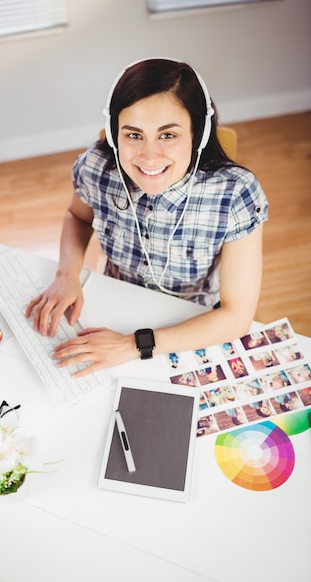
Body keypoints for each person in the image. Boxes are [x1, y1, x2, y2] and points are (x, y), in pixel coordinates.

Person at [25, 58, 268, 377]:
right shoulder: (96, 168)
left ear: (198, 133)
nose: (149, 157)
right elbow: (77, 216)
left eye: (168, 135)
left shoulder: (236, 193)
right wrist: (66, 274)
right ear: (115, 136)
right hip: (113, 303)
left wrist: (133, 346)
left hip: (190, 323)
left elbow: (237, 317)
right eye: (134, 135)